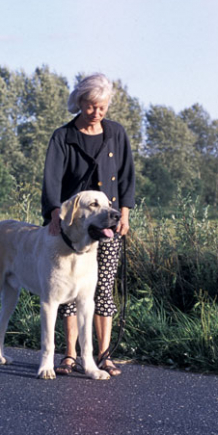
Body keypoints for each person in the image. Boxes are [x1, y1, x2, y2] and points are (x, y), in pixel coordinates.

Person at [41, 73, 135, 377]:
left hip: (107, 223)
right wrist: (54, 212)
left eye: (102, 108)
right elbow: (51, 179)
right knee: (67, 290)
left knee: (103, 288)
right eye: (91, 106)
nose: (96, 113)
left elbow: (126, 176)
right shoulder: (63, 137)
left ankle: (103, 355)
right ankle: (69, 356)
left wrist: (124, 214)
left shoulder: (116, 134)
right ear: (79, 103)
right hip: (73, 225)